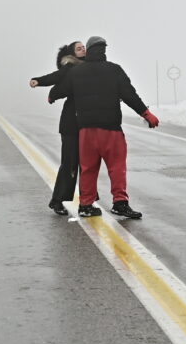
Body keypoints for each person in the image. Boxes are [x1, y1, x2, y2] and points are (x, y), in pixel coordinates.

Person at [50, 36, 158, 219]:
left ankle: (86, 205)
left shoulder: (77, 72)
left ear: (89, 51)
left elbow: (58, 91)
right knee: (116, 168)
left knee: (88, 169)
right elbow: (130, 95)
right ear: (104, 50)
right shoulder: (114, 70)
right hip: (111, 130)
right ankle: (120, 203)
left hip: (86, 132)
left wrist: (52, 96)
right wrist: (146, 114)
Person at [30, 40, 86, 215]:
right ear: (72, 54)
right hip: (71, 124)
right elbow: (54, 77)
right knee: (69, 164)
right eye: (79, 48)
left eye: (83, 47)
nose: (83, 49)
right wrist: (38, 81)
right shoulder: (69, 67)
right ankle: (57, 200)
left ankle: (88, 201)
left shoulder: (91, 67)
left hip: (86, 123)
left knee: (87, 165)